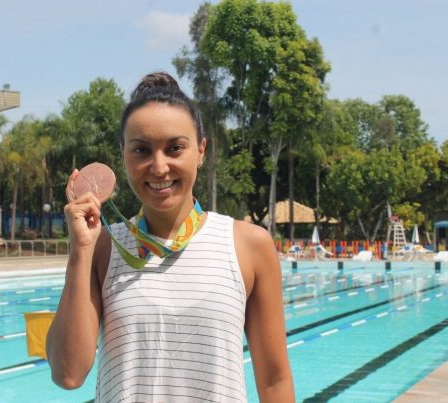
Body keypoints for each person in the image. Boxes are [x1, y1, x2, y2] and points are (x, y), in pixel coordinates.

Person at [46, 72, 294, 402]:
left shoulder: (248, 245)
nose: (159, 167)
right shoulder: (103, 246)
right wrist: (81, 249)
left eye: (175, 148)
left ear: (201, 150)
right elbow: (68, 373)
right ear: (124, 155)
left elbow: (275, 380)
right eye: (142, 150)